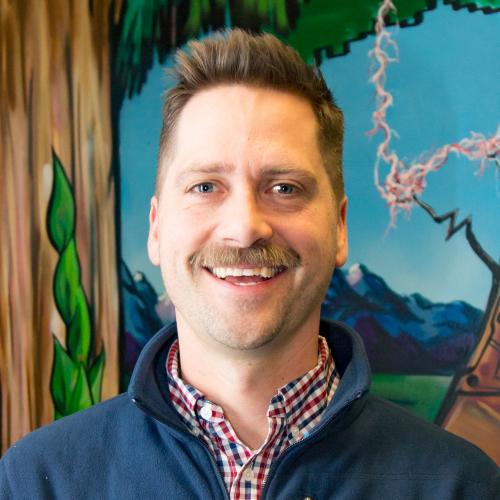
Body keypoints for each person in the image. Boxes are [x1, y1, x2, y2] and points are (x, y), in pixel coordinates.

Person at [1, 29, 498, 500]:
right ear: (156, 227)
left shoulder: (462, 486)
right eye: (205, 186)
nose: (244, 228)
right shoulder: (37, 482)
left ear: (340, 227)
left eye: (284, 188)